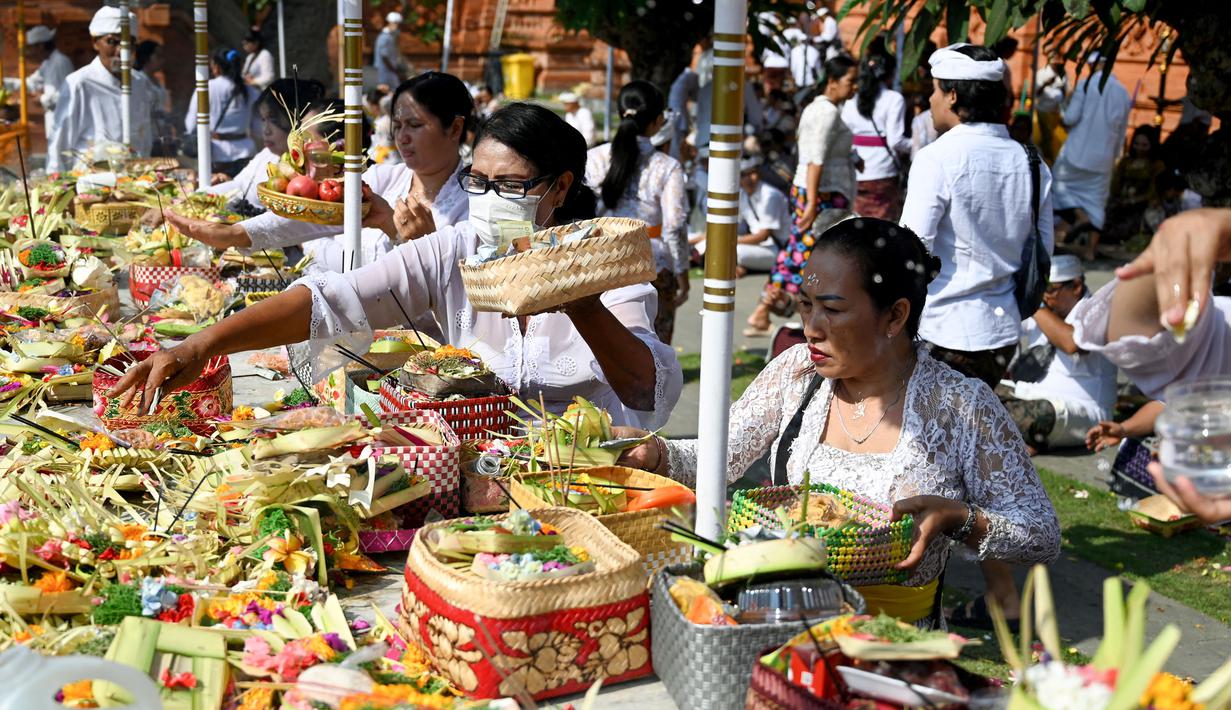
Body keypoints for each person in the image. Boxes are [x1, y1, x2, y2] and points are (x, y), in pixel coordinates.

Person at [110, 102, 684, 434]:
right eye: (478, 183)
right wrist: (200, 346)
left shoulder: (608, 265)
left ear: (559, 188)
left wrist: (579, 301)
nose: (488, 199)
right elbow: (329, 300)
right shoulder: (452, 249)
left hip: (588, 482)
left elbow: (646, 390)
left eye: (509, 186)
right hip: (479, 475)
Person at [618, 218, 1061, 625]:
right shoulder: (796, 372)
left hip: (895, 646)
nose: (810, 327)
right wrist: (656, 451)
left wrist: (959, 518)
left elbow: (1040, 533)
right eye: (805, 305)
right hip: (786, 630)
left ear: (895, 315)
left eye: (831, 310)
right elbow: (719, 458)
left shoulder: (960, 406)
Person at [166, 72, 473, 278]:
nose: (402, 138)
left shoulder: (472, 204)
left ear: (455, 128)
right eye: (398, 125)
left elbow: (452, 289)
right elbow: (312, 217)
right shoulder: (385, 179)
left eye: (415, 126)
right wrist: (235, 234)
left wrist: (404, 236)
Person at [902, 43, 1054, 389]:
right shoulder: (1031, 161)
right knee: (969, 432)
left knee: (932, 435)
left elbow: (911, 251)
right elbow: (1043, 249)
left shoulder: (937, 158)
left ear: (953, 96)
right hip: (1003, 333)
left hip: (943, 330)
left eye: (934, 90)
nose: (930, 101)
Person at [746, 54, 857, 337]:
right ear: (832, 82)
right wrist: (810, 204)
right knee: (805, 255)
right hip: (820, 196)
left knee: (797, 253)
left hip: (818, 193)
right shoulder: (827, 112)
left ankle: (765, 310)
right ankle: (772, 310)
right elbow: (814, 160)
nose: (854, 87)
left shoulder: (817, 108)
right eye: (850, 81)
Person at [585, 81, 690, 344]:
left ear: (620, 113)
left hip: (602, 264)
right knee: (656, 348)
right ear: (658, 121)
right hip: (653, 266)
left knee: (604, 347)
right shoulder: (667, 167)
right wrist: (681, 273)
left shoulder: (594, 158)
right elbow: (674, 226)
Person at [998, 255, 1117, 454]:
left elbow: (1071, 343)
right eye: (1040, 289)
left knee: (1040, 413)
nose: (1044, 296)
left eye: (1050, 289)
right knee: (974, 388)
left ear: (1076, 286)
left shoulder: (1099, 312)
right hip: (1029, 396)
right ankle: (1018, 436)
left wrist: (1034, 303)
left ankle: (1009, 433)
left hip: (1081, 412)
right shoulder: (1047, 311)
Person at [46, 6, 159, 172]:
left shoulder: (140, 82)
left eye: (129, 43)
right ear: (95, 43)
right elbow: (59, 144)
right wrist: (56, 187)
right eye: (113, 42)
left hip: (137, 180)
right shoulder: (79, 83)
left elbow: (145, 136)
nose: (122, 51)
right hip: (90, 183)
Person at [1051, 52, 1132, 260]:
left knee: (1057, 185)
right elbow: (1123, 130)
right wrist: (1116, 156)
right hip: (1104, 157)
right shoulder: (1123, 92)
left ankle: (1080, 216)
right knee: (1097, 201)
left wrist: (1061, 111)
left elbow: (1070, 118)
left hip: (1076, 153)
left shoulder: (1086, 85)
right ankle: (1090, 251)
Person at [693, 155, 789, 274]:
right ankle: (741, 267)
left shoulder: (770, 196)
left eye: (752, 173)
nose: (748, 179)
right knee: (704, 246)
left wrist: (729, 242)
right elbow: (725, 227)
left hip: (777, 248)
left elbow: (763, 236)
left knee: (730, 251)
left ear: (758, 173)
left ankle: (742, 267)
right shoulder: (742, 195)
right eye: (743, 175)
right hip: (756, 245)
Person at [842, 52, 909, 220]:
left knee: (859, 224)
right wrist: (917, 145)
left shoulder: (850, 101)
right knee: (883, 226)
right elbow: (896, 141)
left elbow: (844, 139)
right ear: (891, 74)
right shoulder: (894, 99)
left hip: (857, 173)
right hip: (883, 173)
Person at [184, 48, 260, 179]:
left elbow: (190, 125)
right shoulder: (252, 91)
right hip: (246, 152)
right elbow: (258, 129)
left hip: (216, 154)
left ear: (217, 68)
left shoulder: (205, 88)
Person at [13, 26, 74, 146]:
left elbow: (67, 94)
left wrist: (41, 98)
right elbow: (31, 83)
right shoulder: (47, 63)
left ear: (40, 46)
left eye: (32, 48)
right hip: (53, 122)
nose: (31, 52)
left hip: (64, 123)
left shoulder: (61, 62)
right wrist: (5, 83)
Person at [1103, 125, 1164, 244]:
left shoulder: (1157, 166)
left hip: (1143, 207)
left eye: (1144, 145)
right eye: (1137, 144)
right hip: (1121, 205)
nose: (1140, 148)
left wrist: (1134, 201)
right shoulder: (1125, 162)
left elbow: (1154, 192)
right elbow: (1115, 186)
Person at [1033, 53, 1069, 164]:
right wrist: (1046, 84)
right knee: (1046, 137)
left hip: (1057, 111)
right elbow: (1036, 93)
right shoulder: (1042, 73)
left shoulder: (1063, 74)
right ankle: (1046, 161)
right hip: (1044, 110)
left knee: (1055, 138)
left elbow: (1067, 91)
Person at [374, 12, 405, 90]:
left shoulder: (390, 37)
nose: (397, 26)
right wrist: (394, 70)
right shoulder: (385, 38)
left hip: (390, 71)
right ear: (389, 23)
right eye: (395, 23)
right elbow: (384, 56)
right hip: (385, 72)